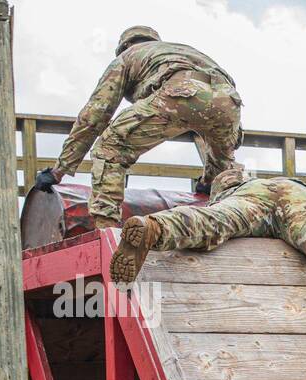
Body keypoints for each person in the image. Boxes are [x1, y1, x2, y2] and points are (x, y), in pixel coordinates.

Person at [109, 164, 306, 377]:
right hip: (300, 197)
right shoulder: (291, 185)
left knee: (214, 224)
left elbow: (217, 215)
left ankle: (155, 228)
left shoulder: (234, 191)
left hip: (249, 197)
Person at [36, 26, 242, 229]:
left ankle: (106, 230)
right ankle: (231, 218)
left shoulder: (128, 56)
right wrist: (210, 178)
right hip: (230, 103)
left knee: (109, 148)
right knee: (223, 173)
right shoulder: (181, 51)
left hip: (180, 92)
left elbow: (94, 115)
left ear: (125, 46)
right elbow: (210, 102)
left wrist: (59, 170)